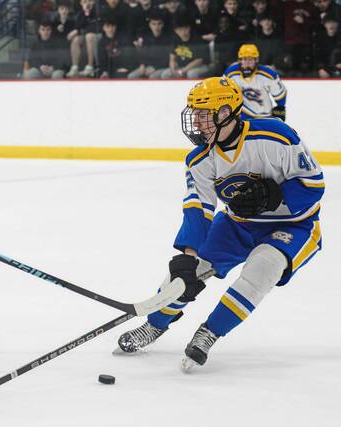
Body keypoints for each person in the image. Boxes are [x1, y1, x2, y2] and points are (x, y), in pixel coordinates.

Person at [115, 77, 324, 371]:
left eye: (203, 115)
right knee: (190, 271)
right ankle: (155, 324)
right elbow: (198, 208)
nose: (197, 123)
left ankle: (209, 332)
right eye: (195, 115)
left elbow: (313, 185)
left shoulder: (276, 135)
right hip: (237, 224)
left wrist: (271, 195)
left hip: (294, 226)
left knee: (263, 267)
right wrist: (188, 257)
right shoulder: (199, 158)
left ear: (226, 112)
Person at [224, 44, 287, 120]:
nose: (247, 63)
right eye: (244, 59)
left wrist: (280, 107)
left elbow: (280, 94)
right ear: (239, 60)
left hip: (264, 116)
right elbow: (223, 91)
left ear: (256, 60)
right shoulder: (230, 73)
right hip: (242, 116)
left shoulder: (268, 74)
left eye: (250, 60)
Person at [129, 12, 171, 78]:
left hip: (162, 67)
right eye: (153, 24)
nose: (156, 27)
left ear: (163, 24)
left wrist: (155, 67)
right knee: (132, 76)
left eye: (159, 24)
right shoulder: (146, 37)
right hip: (147, 66)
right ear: (149, 25)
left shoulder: (168, 38)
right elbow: (143, 54)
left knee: (152, 77)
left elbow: (168, 58)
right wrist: (142, 65)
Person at [66, 0, 100, 77]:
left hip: (98, 35)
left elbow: (96, 25)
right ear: (81, 3)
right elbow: (78, 25)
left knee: (89, 36)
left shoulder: (97, 9)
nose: (87, 3)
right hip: (86, 35)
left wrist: (78, 30)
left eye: (89, 1)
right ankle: (75, 68)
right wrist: (86, 12)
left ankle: (90, 67)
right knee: (76, 39)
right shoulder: (82, 12)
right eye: (84, 1)